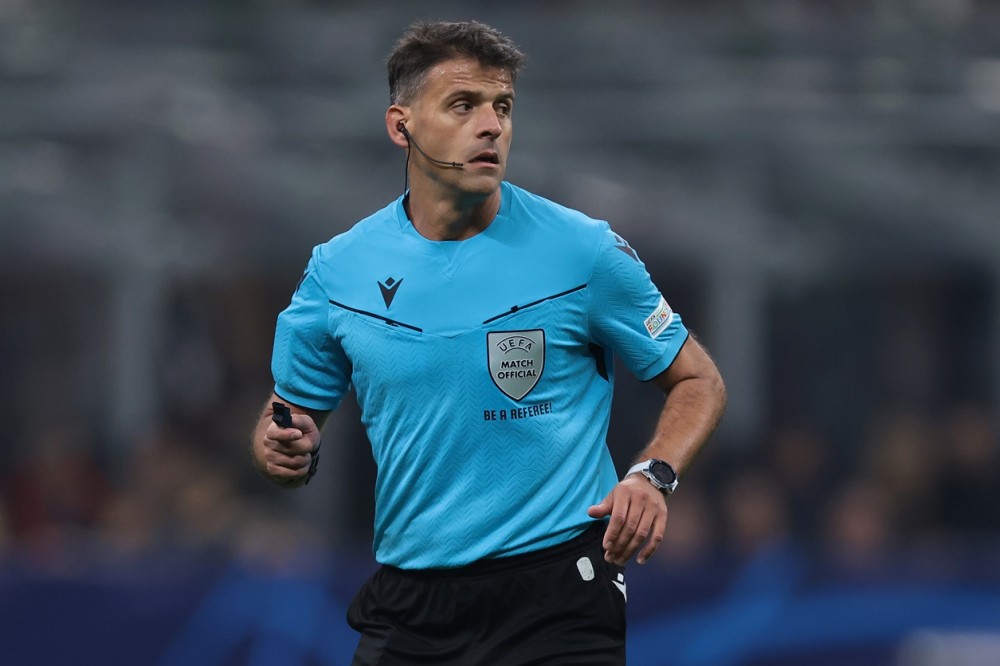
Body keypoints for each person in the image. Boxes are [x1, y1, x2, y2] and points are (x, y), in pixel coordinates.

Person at [251, 20, 726, 665]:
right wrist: (282, 450)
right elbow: (288, 417)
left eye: (502, 106)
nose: (491, 126)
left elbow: (698, 379)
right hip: (412, 603)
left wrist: (653, 474)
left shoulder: (582, 251)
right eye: (463, 105)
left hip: (559, 595)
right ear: (401, 126)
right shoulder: (339, 270)